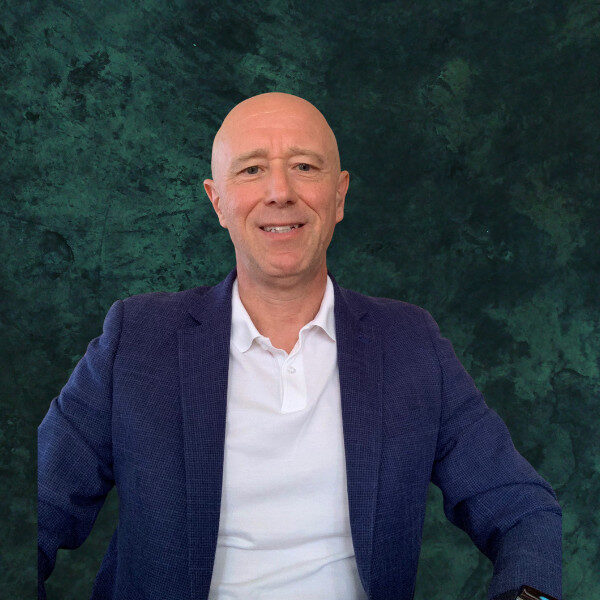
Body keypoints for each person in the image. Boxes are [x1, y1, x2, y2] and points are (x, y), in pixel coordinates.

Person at [38, 92, 562, 600]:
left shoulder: (410, 344)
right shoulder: (138, 339)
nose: (280, 191)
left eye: (305, 167)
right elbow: (36, 508)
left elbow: (522, 508)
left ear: (339, 195)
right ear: (217, 201)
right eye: (251, 169)